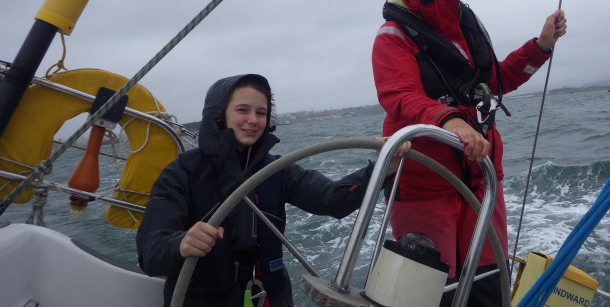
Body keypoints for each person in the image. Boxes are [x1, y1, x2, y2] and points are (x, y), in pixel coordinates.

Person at [371, 0, 567, 306]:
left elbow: (496, 81)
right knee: (428, 296)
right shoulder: (392, 36)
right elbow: (400, 96)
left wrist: (541, 47)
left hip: (482, 185)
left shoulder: (466, 27)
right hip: (424, 187)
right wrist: (451, 120)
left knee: (488, 290)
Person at [136, 74, 409, 307]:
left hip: (269, 296)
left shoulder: (277, 169)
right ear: (218, 116)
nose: (253, 120)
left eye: (261, 113)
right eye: (242, 110)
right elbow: (150, 252)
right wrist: (181, 243)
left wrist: (383, 168)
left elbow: (332, 199)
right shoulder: (181, 173)